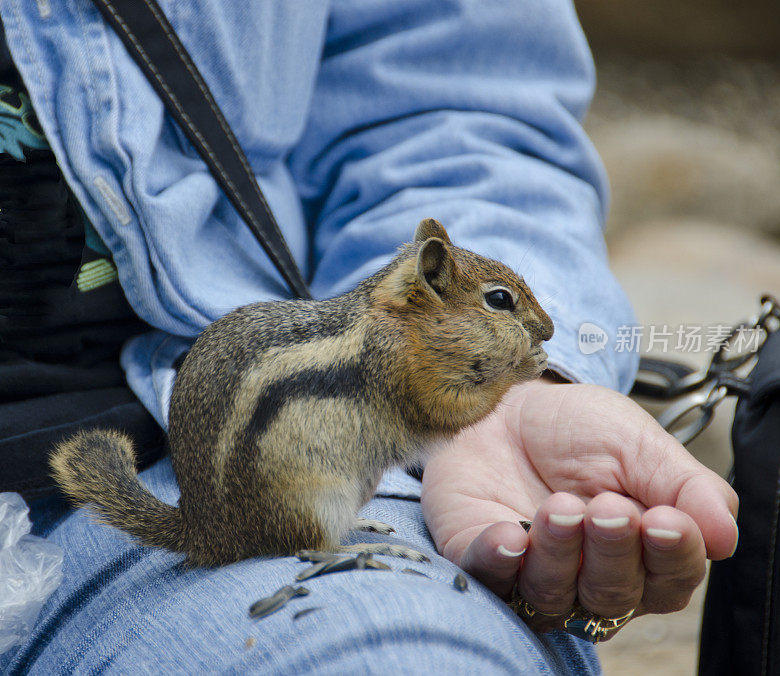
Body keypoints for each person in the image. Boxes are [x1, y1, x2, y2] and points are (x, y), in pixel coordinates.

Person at [0, 1, 738, 673]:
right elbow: (433, 413)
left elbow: (442, 103)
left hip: (143, 454)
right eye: (504, 307)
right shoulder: (391, 350)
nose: (534, 328)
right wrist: (495, 387)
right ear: (431, 287)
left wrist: (533, 390)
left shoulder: (398, 335)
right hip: (261, 498)